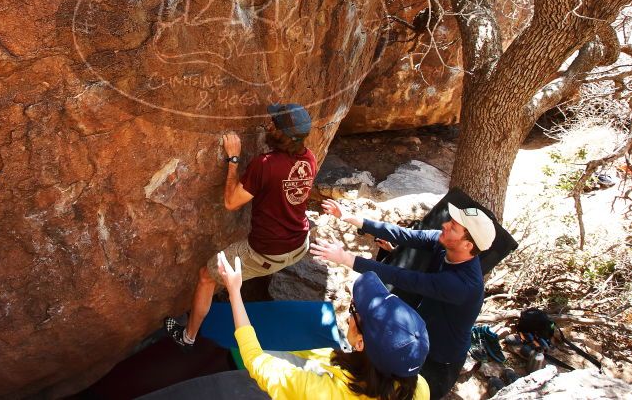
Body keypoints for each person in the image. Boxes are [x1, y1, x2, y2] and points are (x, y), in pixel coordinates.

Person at [165, 103, 317, 350]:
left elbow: (231, 202)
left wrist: (233, 159)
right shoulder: (309, 158)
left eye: (274, 124)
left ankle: (188, 337)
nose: (269, 125)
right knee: (247, 266)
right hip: (300, 243)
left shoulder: (265, 164)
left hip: (267, 252)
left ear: (280, 134)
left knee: (206, 276)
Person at [310, 199, 496, 400]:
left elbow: (403, 278)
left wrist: (346, 258)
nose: (445, 225)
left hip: (440, 359)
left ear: (467, 244)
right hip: (419, 334)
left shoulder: (462, 284)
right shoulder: (446, 244)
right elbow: (404, 234)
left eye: (453, 227)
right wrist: (350, 218)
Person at [217, 251, 430, 400]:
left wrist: (234, 291)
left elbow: (256, 361)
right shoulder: (419, 387)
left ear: (360, 342)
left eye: (354, 313)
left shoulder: (319, 393)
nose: (348, 318)